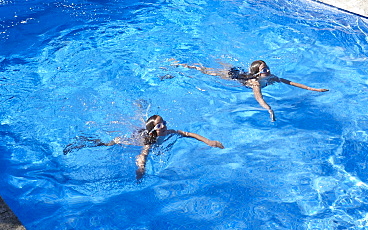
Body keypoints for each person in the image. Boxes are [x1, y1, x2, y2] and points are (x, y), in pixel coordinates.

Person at [63, 114, 224, 179]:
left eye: (164, 123)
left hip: (146, 133)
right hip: (129, 139)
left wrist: (209, 142)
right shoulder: (150, 141)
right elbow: (143, 155)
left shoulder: (169, 132)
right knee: (105, 144)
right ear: (154, 130)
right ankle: (84, 142)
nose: (165, 126)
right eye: (161, 125)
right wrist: (141, 169)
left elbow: (188, 134)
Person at [173, 58, 328, 122]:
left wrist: (311, 88)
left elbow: (289, 82)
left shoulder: (270, 77)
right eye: (264, 69)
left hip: (240, 72)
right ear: (257, 73)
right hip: (233, 77)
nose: (268, 70)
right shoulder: (255, 83)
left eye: (267, 68)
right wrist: (269, 109)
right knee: (206, 71)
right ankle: (184, 65)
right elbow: (259, 98)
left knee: (222, 65)